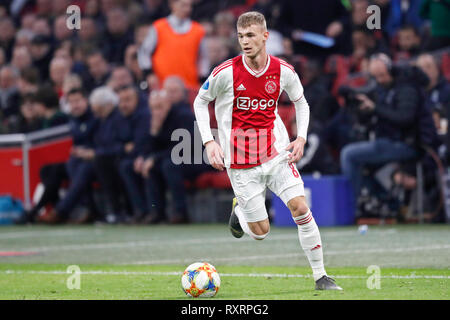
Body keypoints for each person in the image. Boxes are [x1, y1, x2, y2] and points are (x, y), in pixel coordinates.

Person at [193, 11, 341, 291]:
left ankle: (321, 276)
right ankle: (240, 212)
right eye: (240, 36)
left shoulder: (283, 70)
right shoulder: (225, 72)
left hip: (275, 155)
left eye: (250, 35)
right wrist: (209, 142)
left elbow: (301, 103)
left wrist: (301, 137)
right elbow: (201, 102)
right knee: (261, 233)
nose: (245, 42)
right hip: (240, 163)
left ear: (265, 36)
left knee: (300, 207)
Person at [340, 53, 432, 216]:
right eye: (376, 77)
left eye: (382, 75)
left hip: (408, 144)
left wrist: (375, 108)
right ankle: (389, 204)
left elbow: (405, 118)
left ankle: (349, 209)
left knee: (349, 154)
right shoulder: (383, 88)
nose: (380, 80)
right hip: (389, 141)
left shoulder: (406, 87)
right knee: (359, 164)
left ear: (391, 69)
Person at [138, 0, 206, 89]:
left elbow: (204, 58)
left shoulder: (198, 30)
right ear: (172, 5)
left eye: (189, 6)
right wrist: (149, 74)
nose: (188, 9)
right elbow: (144, 52)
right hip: (162, 84)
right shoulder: (158, 27)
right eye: (183, 5)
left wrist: (202, 79)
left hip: (190, 85)